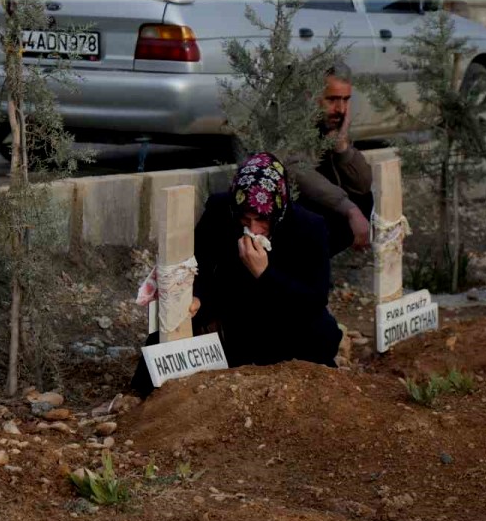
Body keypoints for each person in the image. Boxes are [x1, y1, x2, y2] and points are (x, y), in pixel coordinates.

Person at [131, 153, 343, 395]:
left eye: (262, 220)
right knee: (169, 333)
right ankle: (139, 399)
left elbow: (314, 300)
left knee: (322, 333)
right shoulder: (221, 210)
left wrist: (265, 273)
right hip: (232, 309)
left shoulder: (309, 228)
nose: (253, 229)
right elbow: (198, 263)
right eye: (245, 218)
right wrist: (197, 296)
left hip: (282, 318)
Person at [287, 62, 376, 257]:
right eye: (333, 99)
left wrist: (342, 146)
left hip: (320, 212)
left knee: (364, 198)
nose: (341, 109)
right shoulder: (290, 121)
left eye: (346, 100)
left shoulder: (330, 124)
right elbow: (298, 171)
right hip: (284, 215)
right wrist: (350, 209)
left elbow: (362, 186)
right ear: (310, 97)